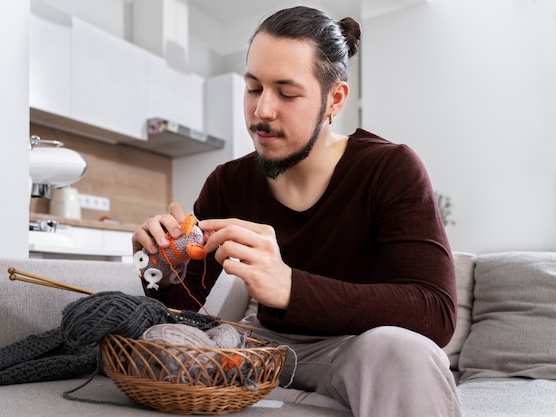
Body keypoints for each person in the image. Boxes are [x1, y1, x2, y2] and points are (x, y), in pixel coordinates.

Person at [132, 6, 461, 417]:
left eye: (287, 93)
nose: (262, 111)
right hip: (258, 346)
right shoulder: (228, 182)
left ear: (334, 99)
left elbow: (435, 311)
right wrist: (159, 261)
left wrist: (291, 288)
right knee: (162, 337)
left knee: (402, 353)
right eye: (253, 89)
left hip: (355, 349)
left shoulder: (389, 169)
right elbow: (185, 301)